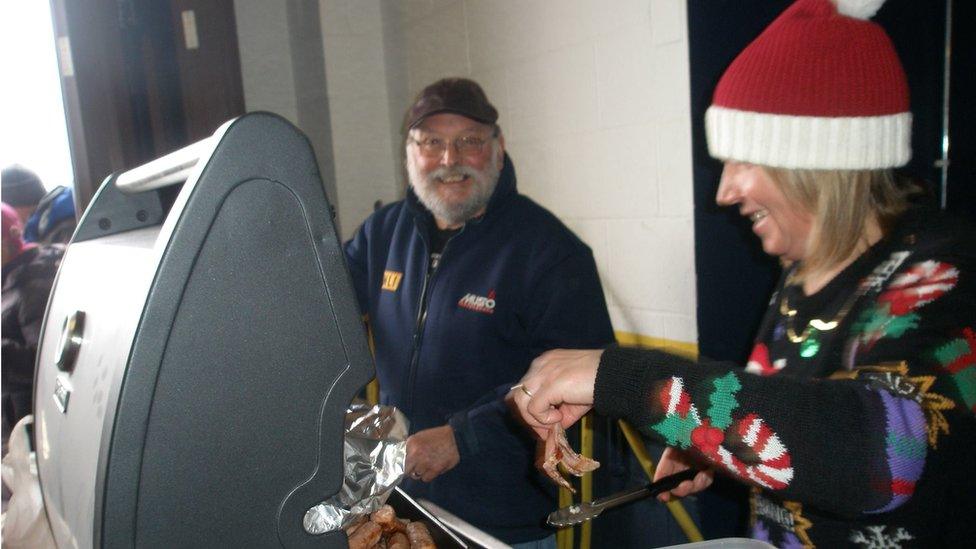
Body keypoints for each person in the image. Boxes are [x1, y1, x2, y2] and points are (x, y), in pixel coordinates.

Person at [509, 0, 976, 546]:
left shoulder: (947, 271)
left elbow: (886, 457)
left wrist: (622, 379)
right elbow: (792, 414)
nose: (724, 191)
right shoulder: (804, 269)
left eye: (742, 160)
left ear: (817, 158)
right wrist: (708, 441)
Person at [344, 77, 615, 547]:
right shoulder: (381, 235)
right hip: (399, 508)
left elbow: (588, 377)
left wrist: (461, 437)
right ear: (410, 152)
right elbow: (318, 314)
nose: (449, 159)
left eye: (469, 141)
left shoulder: (549, 251)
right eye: (432, 142)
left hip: (503, 521)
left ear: (498, 148)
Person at [2, 203, 65, 438]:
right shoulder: (8, 278)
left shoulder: (33, 284)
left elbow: (43, 362)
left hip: (29, 424)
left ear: (9, 240)